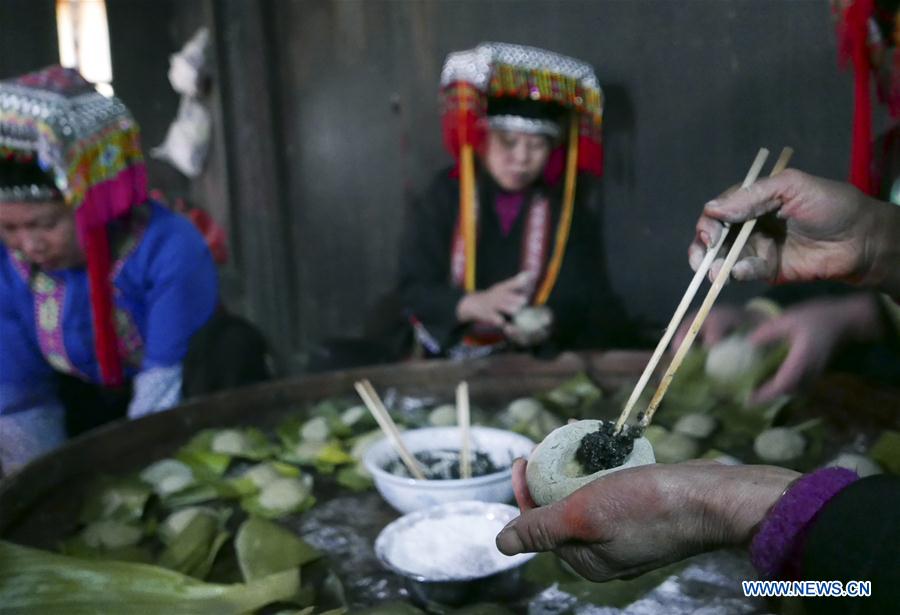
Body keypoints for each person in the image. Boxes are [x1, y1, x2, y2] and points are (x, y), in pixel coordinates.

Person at [496, 169, 900, 614]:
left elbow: (865, 584)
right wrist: (875, 249)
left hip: (848, 577)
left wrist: (728, 508)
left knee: (781, 593)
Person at [0, 66, 269, 474]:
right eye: (9, 228)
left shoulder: (168, 246)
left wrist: (143, 489)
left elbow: (162, 390)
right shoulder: (11, 267)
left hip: (172, 391)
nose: (29, 245)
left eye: (44, 224)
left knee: (232, 347)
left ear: (94, 203)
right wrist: (37, 487)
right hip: (87, 397)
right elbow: (22, 396)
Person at [397, 42, 631, 358]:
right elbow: (412, 288)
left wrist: (549, 319)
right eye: (508, 142)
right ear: (483, 140)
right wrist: (468, 304)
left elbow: (584, 294)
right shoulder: (446, 195)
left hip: (531, 361)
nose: (521, 158)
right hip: (447, 359)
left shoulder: (562, 210)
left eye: (536, 146)